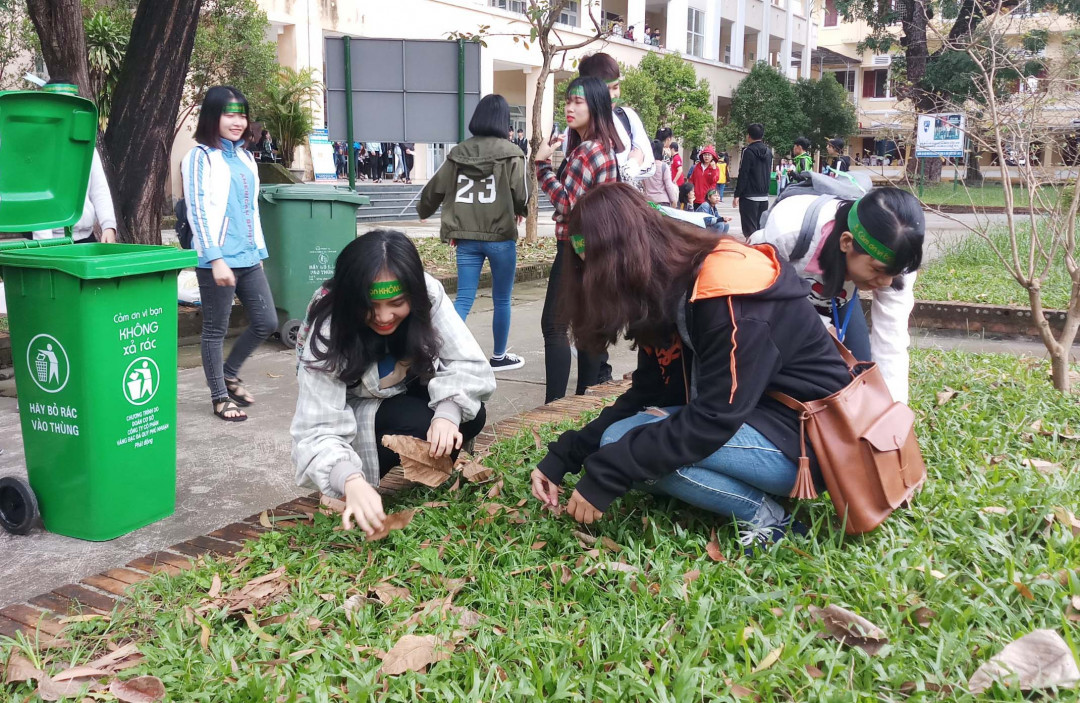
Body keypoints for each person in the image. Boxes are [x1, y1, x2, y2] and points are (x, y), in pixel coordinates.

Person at [529, 183, 850, 548]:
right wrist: (563, 456)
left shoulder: (726, 291)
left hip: (806, 441)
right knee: (627, 437)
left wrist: (608, 473)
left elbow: (713, 419)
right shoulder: (663, 286)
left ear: (625, 259)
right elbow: (648, 392)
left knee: (623, 444)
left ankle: (770, 520)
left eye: (600, 275)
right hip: (751, 419)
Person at [291, 231, 496, 536]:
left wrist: (447, 413)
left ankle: (425, 463)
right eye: (370, 305)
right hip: (355, 411)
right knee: (413, 423)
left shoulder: (427, 293)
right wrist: (349, 478)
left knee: (471, 414)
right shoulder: (330, 325)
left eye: (397, 303)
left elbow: (467, 364)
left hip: (406, 389)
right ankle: (346, 486)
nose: (384, 316)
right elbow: (316, 426)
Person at [749, 187, 924, 402]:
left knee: (857, 376)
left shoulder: (899, 260)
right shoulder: (788, 233)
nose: (886, 283)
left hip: (836, 299)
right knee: (793, 375)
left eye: (893, 274)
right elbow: (757, 301)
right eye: (878, 270)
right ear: (846, 242)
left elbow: (891, 339)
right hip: (775, 304)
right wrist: (821, 329)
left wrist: (893, 410)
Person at [181, 86, 277, 422]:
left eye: (242, 114)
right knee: (215, 330)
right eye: (229, 114)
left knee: (267, 321)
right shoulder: (200, 157)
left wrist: (259, 251)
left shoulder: (247, 157)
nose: (237, 122)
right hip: (217, 258)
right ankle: (220, 397)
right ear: (213, 116)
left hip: (249, 257)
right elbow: (198, 211)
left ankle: (230, 372)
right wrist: (215, 257)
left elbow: (250, 209)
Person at [417, 94, 529, 372]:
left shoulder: (458, 153)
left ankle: (438, 354)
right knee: (501, 298)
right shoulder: (512, 152)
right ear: (504, 121)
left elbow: (436, 188)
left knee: (464, 297)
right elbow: (522, 193)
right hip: (501, 236)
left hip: (465, 237)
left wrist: (423, 210)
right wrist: (520, 211)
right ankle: (499, 357)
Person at [534, 76, 622, 403]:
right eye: (568, 101)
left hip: (575, 249)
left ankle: (553, 406)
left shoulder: (587, 150)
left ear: (595, 105)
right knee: (587, 330)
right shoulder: (604, 148)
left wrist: (542, 164)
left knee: (555, 326)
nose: (570, 108)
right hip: (597, 251)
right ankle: (582, 403)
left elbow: (567, 204)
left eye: (578, 102)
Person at [575, 53, 654, 183]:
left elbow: (651, 166)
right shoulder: (575, 130)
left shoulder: (627, 117)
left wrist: (630, 166)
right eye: (606, 89)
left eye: (616, 87)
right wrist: (633, 163)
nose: (612, 96)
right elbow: (589, 179)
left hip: (624, 202)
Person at [732, 123, 772, 237]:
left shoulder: (748, 151)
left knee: (750, 232)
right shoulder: (769, 152)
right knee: (760, 231)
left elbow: (743, 174)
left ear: (748, 136)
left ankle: (752, 253)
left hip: (749, 196)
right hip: (764, 196)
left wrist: (737, 194)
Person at [641, 139, 679, 206]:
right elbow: (668, 185)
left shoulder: (645, 167)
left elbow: (643, 185)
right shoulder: (664, 166)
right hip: (662, 202)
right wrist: (674, 200)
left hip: (648, 202)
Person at [688, 145, 720, 209]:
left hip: (707, 199)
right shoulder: (697, 167)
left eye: (709, 155)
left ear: (712, 157)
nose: (706, 157)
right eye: (705, 155)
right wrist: (691, 192)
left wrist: (713, 170)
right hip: (696, 198)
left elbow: (714, 181)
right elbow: (692, 180)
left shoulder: (715, 168)